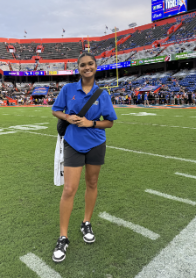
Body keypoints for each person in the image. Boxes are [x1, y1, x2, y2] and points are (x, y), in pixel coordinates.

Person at [51, 52, 117, 263]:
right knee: (69, 188)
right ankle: (63, 236)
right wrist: (67, 116)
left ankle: (86, 222)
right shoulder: (68, 89)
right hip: (73, 142)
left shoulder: (102, 94)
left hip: (96, 142)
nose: (87, 67)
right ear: (77, 68)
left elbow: (110, 122)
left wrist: (91, 123)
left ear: (96, 66)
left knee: (92, 182)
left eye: (90, 64)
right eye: (83, 65)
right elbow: (55, 110)